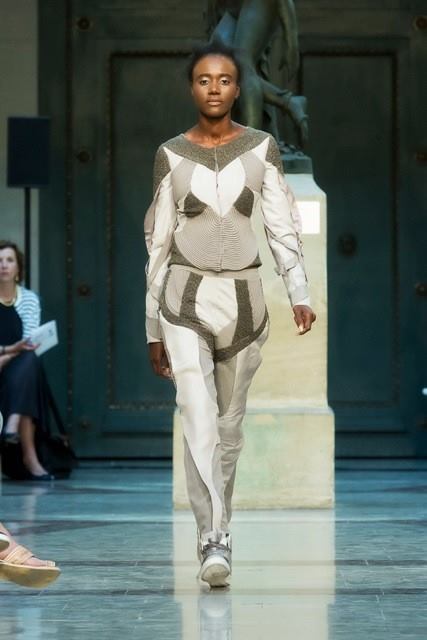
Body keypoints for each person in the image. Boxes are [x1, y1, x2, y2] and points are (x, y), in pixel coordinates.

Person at [145, 41, 316, 588]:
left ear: (238, 88)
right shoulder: (170, 154)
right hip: (184, 297)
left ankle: (220, 525)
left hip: (244, 300)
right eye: (204, 79)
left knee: (229, 428)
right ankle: (213, 539)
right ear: (191, 88)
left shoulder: (262, 147)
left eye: (223, 79)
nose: (214, 88)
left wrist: (299, 291)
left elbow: (281, 225)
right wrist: (152, 326)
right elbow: (157, 243)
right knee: (196, 413)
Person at [0, 240, 54, 480]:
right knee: (30, 372)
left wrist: (6, 356)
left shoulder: (29, 299)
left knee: (30, 358)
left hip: (16, 366)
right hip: (16, 368)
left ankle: (11, 425)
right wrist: (10, 350)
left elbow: (29, 341)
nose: (3, 265)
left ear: (18, 268)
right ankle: (29, 458)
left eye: (9, 260)